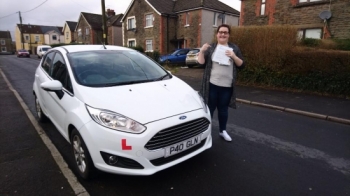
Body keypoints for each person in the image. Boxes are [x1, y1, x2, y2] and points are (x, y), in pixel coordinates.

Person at [198, 24, 245, 142]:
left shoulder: (234, 48)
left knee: (223, 110)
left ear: (229, 35)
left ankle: (222, 131)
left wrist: (233, 56)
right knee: (210, 109)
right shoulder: (211, 47)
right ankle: (207, 132)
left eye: (225, 32)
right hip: (212, 85)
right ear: (217, 34)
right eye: (221, 32)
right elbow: (201, 64)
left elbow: (241, 65)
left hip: (227, 86)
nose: (223, 34)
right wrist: (202, 51)